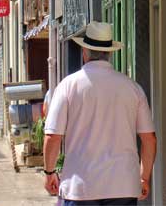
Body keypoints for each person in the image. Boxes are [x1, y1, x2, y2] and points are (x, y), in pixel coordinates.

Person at [42, 21, 157, 206]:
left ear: (85, 52)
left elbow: (52, 137)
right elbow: (149, 139)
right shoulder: (132, 88)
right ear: (109, 53)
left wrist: (49, 173)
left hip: (80, 187)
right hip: (123, 186)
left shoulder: (68, 86)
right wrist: (144, 177)